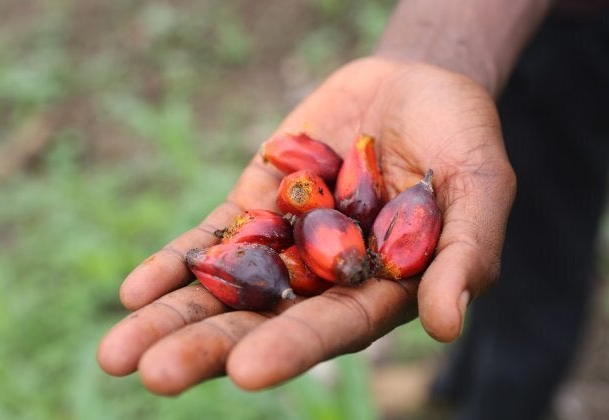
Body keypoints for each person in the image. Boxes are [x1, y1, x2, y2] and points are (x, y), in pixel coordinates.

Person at [97, 1, 608, 418]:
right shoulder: (319, 223)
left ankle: (505, 403)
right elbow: (320, 219)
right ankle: (454, 386)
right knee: (496, 268)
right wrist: (429, 60)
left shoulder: (336, 218)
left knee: (544, 260)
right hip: (521, 25)